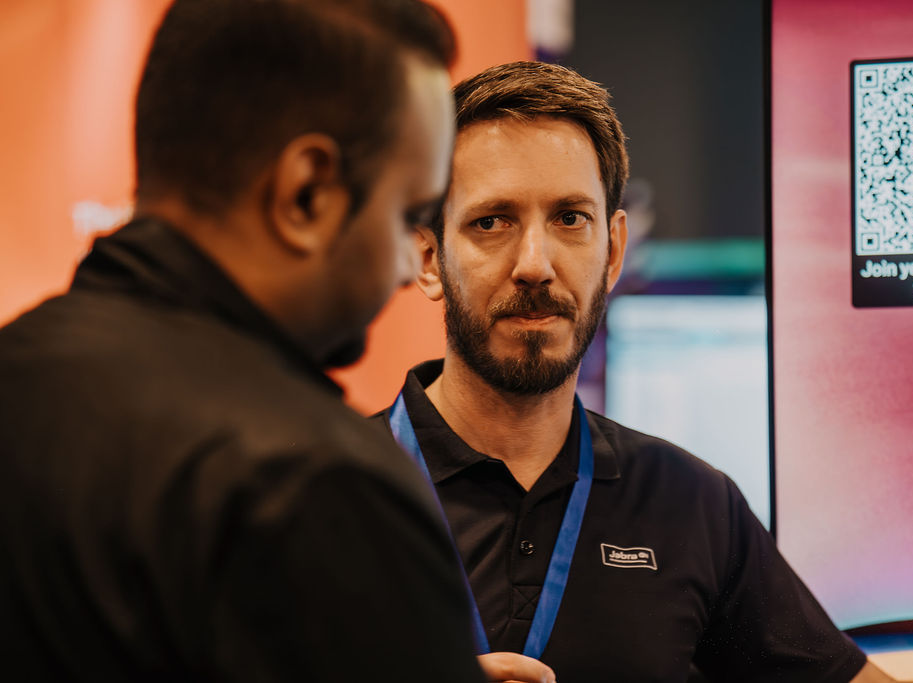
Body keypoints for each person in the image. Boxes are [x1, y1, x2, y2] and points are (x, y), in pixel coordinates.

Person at [0, 2, 551, 681]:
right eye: (406, 214)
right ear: (307, 194)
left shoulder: (16, 373)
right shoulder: (317, 484)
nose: (408, 266)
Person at [375, 61, 913, 683]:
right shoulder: (323, 493)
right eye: (491, 222)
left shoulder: (691, 503)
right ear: (429, 258)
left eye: (570, 219)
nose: (535, 264)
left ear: (612, 251)